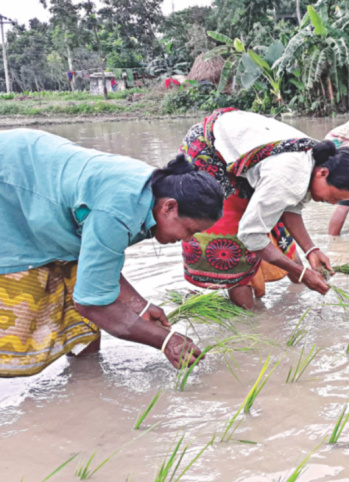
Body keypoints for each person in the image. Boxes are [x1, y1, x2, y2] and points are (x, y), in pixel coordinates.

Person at [0, 129, 225, 377]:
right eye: (189, 230)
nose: (187, 240)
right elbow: (91, 303)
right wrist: (166, 340)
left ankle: (87, 383)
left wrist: (139, 305)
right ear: (169, 206)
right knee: (20, 310)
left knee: (82, 289)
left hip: (30, 161)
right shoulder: (119, 211)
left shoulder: (151, 192)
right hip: (12, 182)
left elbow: (101, 261)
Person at [180, 108, 349, 309]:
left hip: (241, 152)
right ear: (323, 173)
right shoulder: (288, 175)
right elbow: (250, 234)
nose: (332, 204)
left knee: (278, 233)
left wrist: (311, 250)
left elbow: (290, 208)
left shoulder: (317, 158)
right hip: (209, 152)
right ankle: (251, 323)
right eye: (334, 197)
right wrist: (301, 273)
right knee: (234, 250)